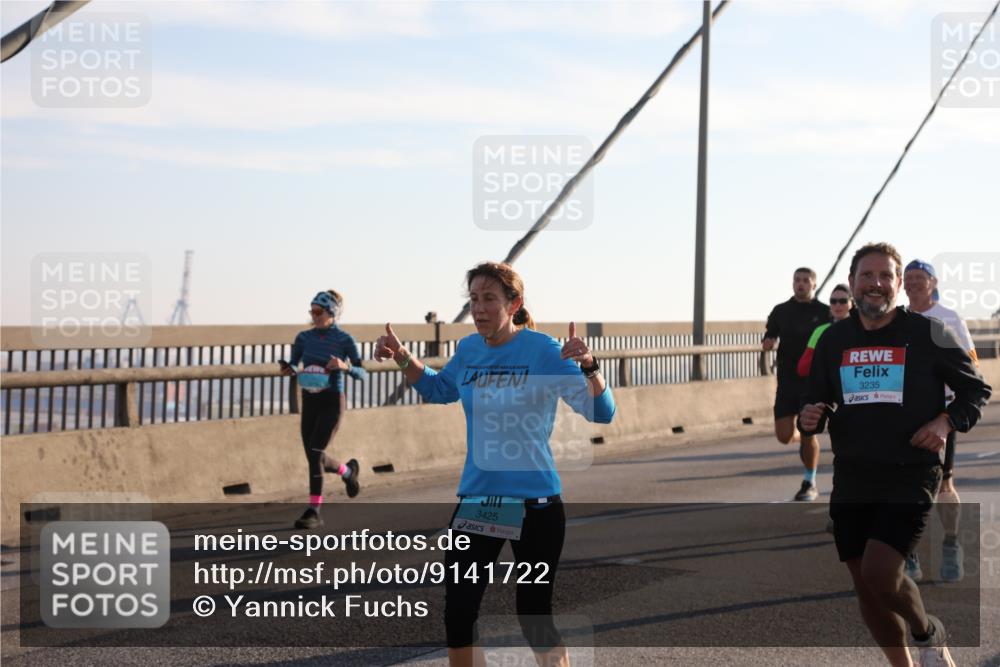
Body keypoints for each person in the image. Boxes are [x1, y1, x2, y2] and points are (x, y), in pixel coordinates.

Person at [373, 262, 615, 667]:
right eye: (473, 300)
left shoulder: (543, 351)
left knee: (534, 616)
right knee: (459, 614)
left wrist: (590, 366)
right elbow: (438, 388)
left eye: (489, 299)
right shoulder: (469, 349)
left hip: (535, 505)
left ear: (513, 303)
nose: (479, 309)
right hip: (479, 501)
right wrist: (401, 357)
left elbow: (601, 412)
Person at [799, 242, 990, 667]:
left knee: (880, 572)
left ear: (899, 285)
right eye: (867, 275)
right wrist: (810, 416)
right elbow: (818, 402)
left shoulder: (927, 332)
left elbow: (976, 391)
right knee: (865, 586)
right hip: (853, 474)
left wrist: (943, 423)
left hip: (911, 471)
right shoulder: (834, 340)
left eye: (886, 276)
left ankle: (928, 633)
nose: (876, 283)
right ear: (852, 283)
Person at [903, 259, 979, 583]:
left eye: (920, 277)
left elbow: (971, 365)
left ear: (933, 283)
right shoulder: (898, 319)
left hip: (942, 411)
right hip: (904, 410)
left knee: (944, 484)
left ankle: (951, 543)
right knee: (902, 486)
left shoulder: (948, 319)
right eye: (908, 278)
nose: (913, 282)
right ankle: (907, 551)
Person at [280, 290, 367, 529]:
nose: (314, 315)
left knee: (316, 452)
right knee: (313, 456)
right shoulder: (303, 338)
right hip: (309, 401)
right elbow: (295, 365)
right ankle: (348, 472)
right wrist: (289, 369)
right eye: (312, 311)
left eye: (318, 311)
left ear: (332, 313)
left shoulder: (344, 340)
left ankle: (314, 511)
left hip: (332, 401)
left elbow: (363, 373)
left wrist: (345, 366)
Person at [762, 267, 831, 501]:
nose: (800, 284)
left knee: (807, 431)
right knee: (783, 436)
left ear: (814, 284)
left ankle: (809, 481)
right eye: (797, 280)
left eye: (805, 281)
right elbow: (770, 334)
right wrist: (769, 341)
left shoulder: (825, 312)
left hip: (811, 382)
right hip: (787, 381)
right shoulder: (781, 311)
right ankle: (804, 437)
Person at [797, 283, 853, 379]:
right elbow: (803, 368)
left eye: (843, 301)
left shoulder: (862, 328)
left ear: (851, 303)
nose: (837, 305)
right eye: (833, 301)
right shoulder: (820, 330)